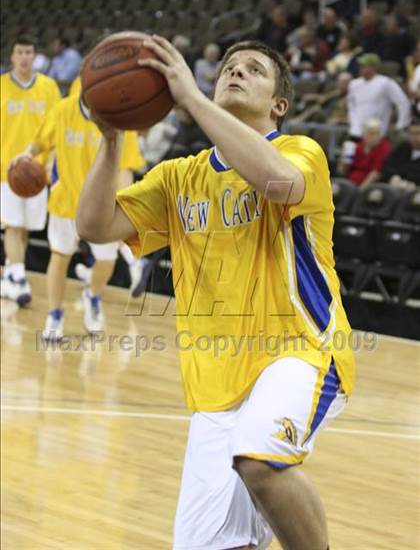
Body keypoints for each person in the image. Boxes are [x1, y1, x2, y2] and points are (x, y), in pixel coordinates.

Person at [77, 36, 355, 550]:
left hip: (301, 351)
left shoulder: (299, 152)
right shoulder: (180, 177)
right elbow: (95, 225)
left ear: (280, 105)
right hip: (216, 378)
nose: (236, 72)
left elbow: (277, 182)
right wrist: (111, 135)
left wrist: (193, 100)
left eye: (254, 70)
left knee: (260, 459)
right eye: (229, 66)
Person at [9, 94, 142, 339]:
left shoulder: (119, 115)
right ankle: (55, 314)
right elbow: (41, 141)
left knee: (106, 263)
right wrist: (27, 154)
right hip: (66, 201)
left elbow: (126, 166)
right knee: (59, 257)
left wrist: (124, 203)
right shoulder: (62, 110)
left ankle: (92, 294)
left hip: (102, 206)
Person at [1, 35, 61, 306]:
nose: (25, 57)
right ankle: (20, 277)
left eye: (29, 52)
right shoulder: (1, 87)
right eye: (20, 52)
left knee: (23, 228)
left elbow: (58, 129)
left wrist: (52, 162)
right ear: (12, 56)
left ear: (35, 56)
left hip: (37, 173)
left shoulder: (48, 88)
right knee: (12, 226)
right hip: (7, 170)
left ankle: (9, 276)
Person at [347, 53, 411, 140]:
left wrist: (401, 124)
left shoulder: (386, 82)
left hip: (378, 133)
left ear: (374, 67)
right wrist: (353, 123)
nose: (362, 68)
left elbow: (402, 102)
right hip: (356, 131)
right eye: (361, 66)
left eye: (365, 66)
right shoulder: (354, 84)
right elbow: (351, 105)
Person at [341, 118, 392, 188]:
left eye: (377, 133)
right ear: (363, 134)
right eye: (371, 133)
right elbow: (343, 171)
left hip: (370, 186)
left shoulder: (384, 147)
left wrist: (360, 190)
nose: (374, 137)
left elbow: (376, 174)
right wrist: (344, 160)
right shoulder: (357, 146)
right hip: (349, 183)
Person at [381, 118, 420, 189]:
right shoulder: (404, 147)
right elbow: (387, 164)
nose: (415, 138)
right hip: (395, 186)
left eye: (418, 133)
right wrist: (393, 176)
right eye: (412, 134)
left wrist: (412, 183)